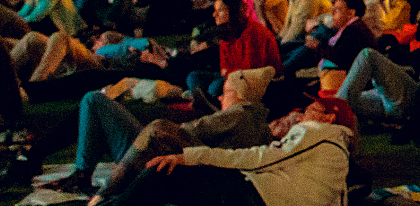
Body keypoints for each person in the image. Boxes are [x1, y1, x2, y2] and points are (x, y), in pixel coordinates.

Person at [39, 66, 275, 198]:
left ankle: (88, 178)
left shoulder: (240, 114)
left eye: (226, 92)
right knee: (95, 102)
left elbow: (188, 130)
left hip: (154, 158)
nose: (222, 97)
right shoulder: (254, 122)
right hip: (166, 160)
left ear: (241, 95)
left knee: (94, 101)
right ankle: (83, 173)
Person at [98, 96, 355, 206]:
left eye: (312, 109)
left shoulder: (316, 132)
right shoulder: (337, 150)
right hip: (259, 194)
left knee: (161, 172)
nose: (303, 114)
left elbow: (259, 158)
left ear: (330, 117)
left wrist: (188, 156)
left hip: (254, 195)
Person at [187, 0, 282, 109]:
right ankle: (203, 99)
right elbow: (224, 64)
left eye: (220, 10)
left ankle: (209, 102)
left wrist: (228, 72)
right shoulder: (226, 32)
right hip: (231, 75)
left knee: (215, 86)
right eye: (215, 11)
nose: (214, 15)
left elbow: (251, 68)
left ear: (233, 11)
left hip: (253, 80)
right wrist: (227, 72)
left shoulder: (254, 33)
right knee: (193, 76)